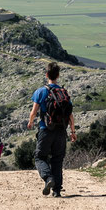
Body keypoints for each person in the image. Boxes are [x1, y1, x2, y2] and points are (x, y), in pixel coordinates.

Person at [27, 62, 77, 197]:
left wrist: (31, 122)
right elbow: (70, 114)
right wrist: (72, 131)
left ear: (46, 75)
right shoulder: (63, 92)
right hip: (61, 130)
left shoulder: (41, 91)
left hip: (45, 129)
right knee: (57, 159)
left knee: (39, 157)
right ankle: (57, 191)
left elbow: (34, 111)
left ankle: (49, 178)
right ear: (58, 75)